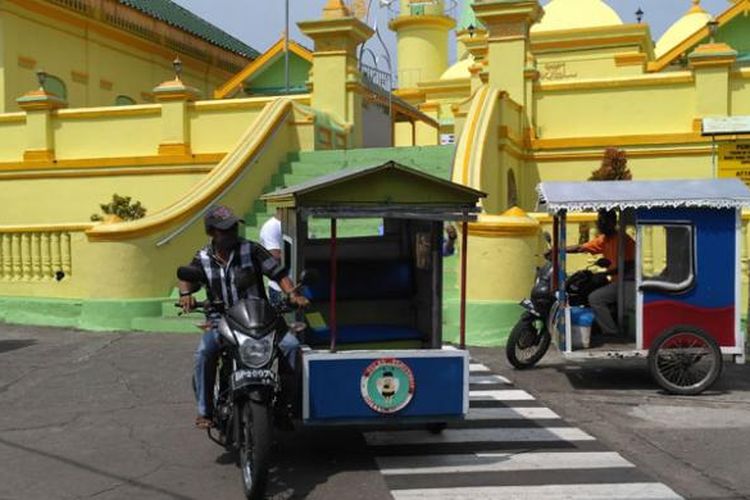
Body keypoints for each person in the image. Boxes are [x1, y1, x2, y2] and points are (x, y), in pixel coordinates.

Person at [178, 205, 309, 429]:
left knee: (291, 347)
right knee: (204, 352)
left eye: (232, 228)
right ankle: (205, 411)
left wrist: (293, 294)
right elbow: (186, 277)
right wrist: (186, 295)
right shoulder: (202, 257)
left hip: (260, 318)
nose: (231, 233)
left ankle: (284, 405)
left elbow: (278, 273)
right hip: (222, 320)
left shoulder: (252, 250)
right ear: (211, 232)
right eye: (224, 230)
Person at [567, 209, 635, 336]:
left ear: (613, 222)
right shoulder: (604, 239)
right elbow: (581, 247)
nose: (600, 224)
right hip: (616, 281)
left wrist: (606, 273)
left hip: (627, 283)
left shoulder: (624, 240)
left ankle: (611, 332)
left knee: (595, 298)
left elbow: (629, 266)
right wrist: (559, 250)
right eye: (599, 221)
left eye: (604, 221)